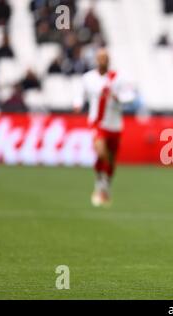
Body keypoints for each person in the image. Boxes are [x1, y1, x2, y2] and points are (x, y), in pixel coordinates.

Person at [73, 48, 134, 207]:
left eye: (105, 58)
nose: (102, 61)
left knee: (112, 160)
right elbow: (81, 94)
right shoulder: (88, 78)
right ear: (96, 60)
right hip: (97, 122)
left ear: (109, 60)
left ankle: (105, 185)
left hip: (115, 124)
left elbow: (130, 96)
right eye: (100, 58)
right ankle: (99, 185)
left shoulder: (118, 78)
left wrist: (119, 97)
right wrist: (78, 103)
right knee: (101, 152)